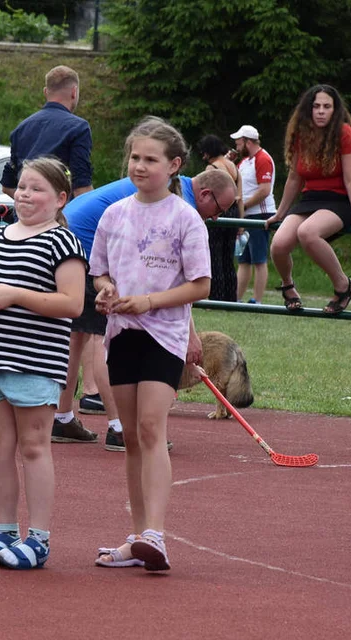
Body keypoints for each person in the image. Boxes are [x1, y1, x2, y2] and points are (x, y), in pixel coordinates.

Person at [90, 117, 211, 572]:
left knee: (149, 428)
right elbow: (100, 270)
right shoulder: (114, 213)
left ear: (174, 165)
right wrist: (105, 290)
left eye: (150, 159)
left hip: (164, 336)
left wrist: (149, 302)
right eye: (135, 157)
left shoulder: (185, 218)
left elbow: (200, 285)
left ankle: (156, 534)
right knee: (130, 440)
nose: (139, 166)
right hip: (121, 334)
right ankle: (138, 537)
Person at [53, 168, 237, 452]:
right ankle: (118, 428)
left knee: (77, 333)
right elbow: (174, 277)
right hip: (84, 245)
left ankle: (61, 418)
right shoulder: (179, 205)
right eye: (219, 209)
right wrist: (189, 335)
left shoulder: (170, 190)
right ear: (204, 194)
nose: (215, 217)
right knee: (106, 336)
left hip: (67, 235)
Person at [0, 157, 85, 570]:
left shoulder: (62, 242)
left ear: (60, 199)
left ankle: (38, 538)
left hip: (36, 360)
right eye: (21, 187)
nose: (25, 195)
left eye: (36, 189)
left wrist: (15, 295)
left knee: (34, 447)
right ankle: (4, 532)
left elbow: (72, 303)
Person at [265, 84, 351, 315]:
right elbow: (294, 178)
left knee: (308, 232)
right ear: (309, 109)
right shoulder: (302, 134)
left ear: (335, 110)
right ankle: (288, 287)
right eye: (316, 106)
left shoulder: (345, 133)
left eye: (327, 106)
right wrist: (280, 213)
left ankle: (343, 286)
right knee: (279, 244)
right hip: (310, 199)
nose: (321, 111)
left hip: (338, 200)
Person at [1, 66, 93, 199]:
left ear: (45, 92)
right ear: (74, 91)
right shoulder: (79, 128)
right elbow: (81, 188)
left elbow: (7, 186)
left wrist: (31, 203)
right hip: (58, 216)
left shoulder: (21, 128)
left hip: (24, 216)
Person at [230, 124, 276, 303]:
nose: (236, 146)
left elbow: (264, 190)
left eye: (238, 143)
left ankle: (257, 300)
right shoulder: (244, 161)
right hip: (247, 215)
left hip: (259, 214)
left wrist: (245, 206)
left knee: (258, 259)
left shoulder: (263, 159)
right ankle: (236, 298)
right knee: (243, 259)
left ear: (248, 142)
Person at [196, 135, 241, 302]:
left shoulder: (211, 169)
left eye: (204, 152)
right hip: (234, 211)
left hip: (218, 209)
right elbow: (239, 196)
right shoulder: (233, 166)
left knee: (214, 255)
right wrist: (241, 221)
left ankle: (216, 297)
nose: (203, 156)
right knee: (228, 257)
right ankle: (231, 297)